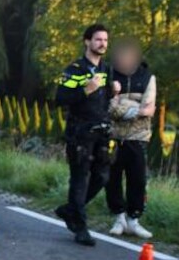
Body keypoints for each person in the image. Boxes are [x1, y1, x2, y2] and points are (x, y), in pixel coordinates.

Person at [54, 23, 117, 246]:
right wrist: (85, 89)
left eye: (106, 40)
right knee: (80, 178)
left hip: (101, 131)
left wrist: (112, 90)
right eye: (98, 39)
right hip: (79, 132)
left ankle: (71, 209)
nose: (102, 44)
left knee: (102, 177)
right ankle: (80, 227)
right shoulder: (75, 69)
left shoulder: (107, 69)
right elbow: (60, 98)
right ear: (87, 41)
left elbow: (103, 100)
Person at [106, 39, 156, 238]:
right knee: (112, 178)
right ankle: (118, 217)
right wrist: (133, 107)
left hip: (138, 136)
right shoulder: (110, 75)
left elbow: (149, 108)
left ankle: (134, 218)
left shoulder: (147, 77)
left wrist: (125, 107)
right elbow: (110, 107)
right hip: (114, 136)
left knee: (138, 179)